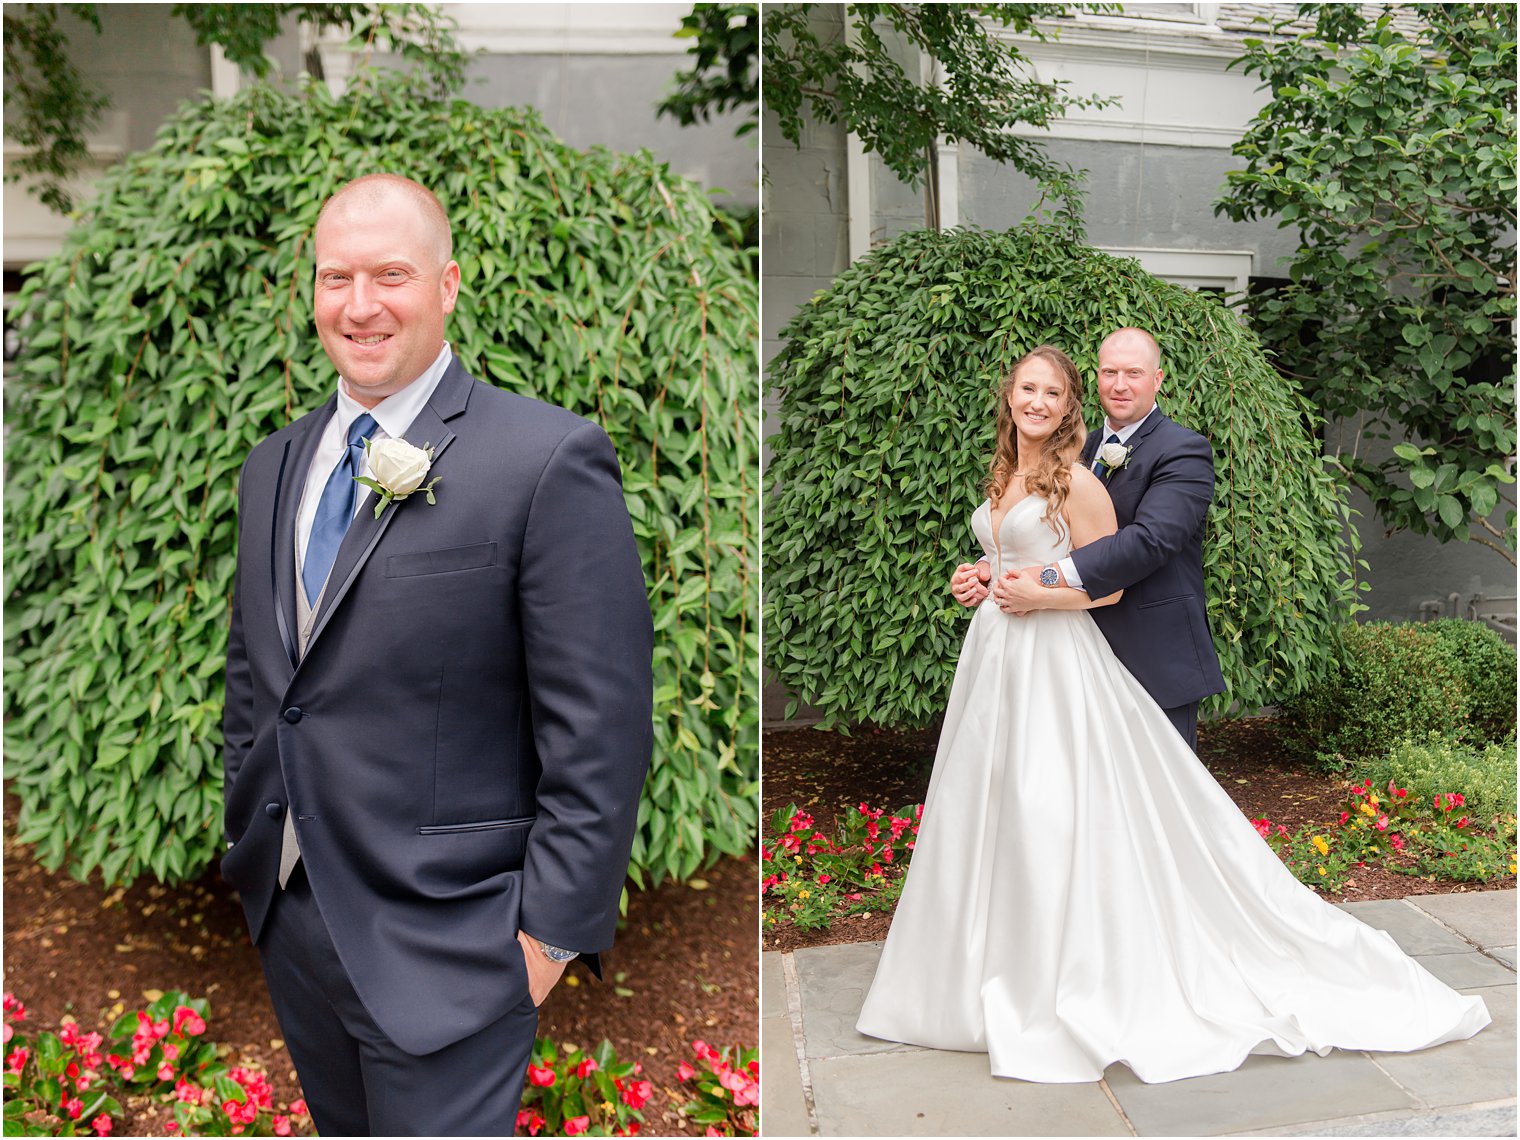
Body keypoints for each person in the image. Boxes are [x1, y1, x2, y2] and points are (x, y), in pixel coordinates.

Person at [855, 343, 1488, 1084]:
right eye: (1031, 388)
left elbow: (1144, 547)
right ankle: (997, 965)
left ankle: (1122, 971)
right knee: (1003, 811)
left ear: (1149, 381)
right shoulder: (1043, 459)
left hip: (1101, 655)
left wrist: (1036, 584)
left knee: (1137, 829)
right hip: (1002, 659)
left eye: (1052, 391)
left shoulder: (1157, 456)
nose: (1042, 401)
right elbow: (1024, 546)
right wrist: (985, 574)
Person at [220, 173, 653, 1135]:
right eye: (337, 277)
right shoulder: (274, 465)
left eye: (392, 274)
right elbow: (258, 680)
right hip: (294, 916)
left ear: (448, 285)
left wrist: (546, 939)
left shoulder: (544, 459)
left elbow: (601, 725)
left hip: (458, 942)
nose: (360, 304)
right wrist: (252, 838)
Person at [950, 327, 1222, 749]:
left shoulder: (1183, 449)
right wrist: (991, 570)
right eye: (1109, 371)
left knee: (1153, 799)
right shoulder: (1075, 450)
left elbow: (1150, 542)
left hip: (1149, 651)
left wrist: (1044, 579)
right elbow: (1051, 533)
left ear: (1158, 379)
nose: (1119, 384)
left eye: (1133, 372)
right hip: (1069, 651)